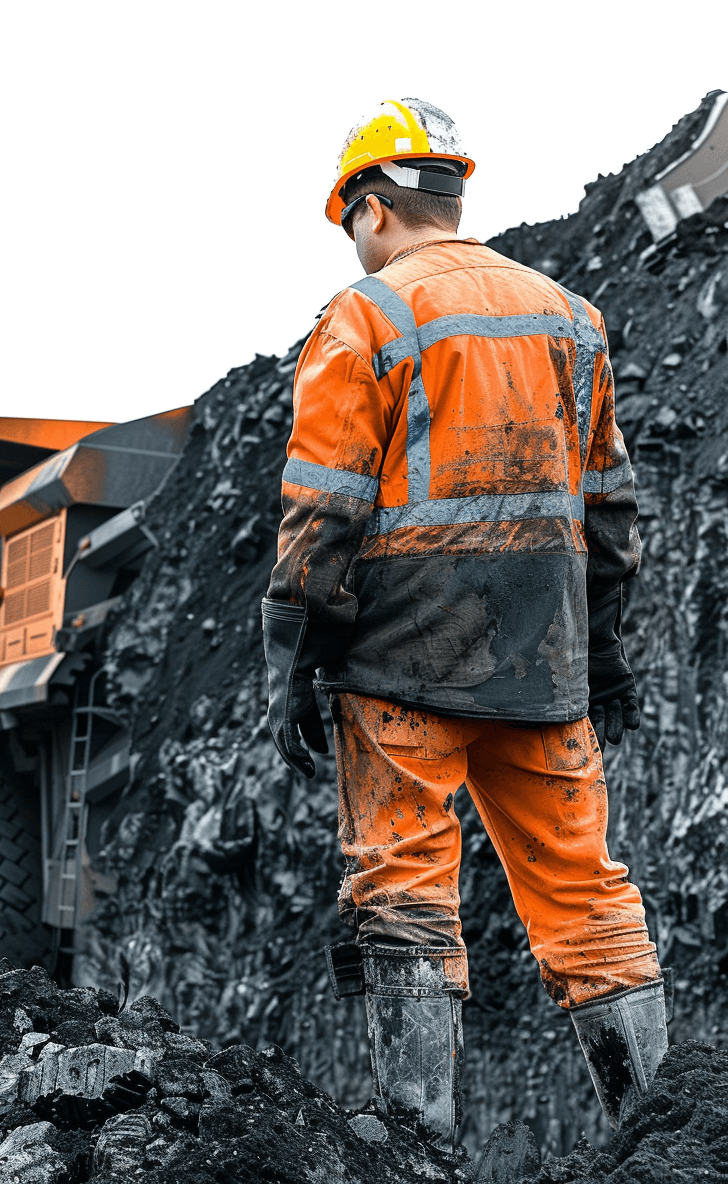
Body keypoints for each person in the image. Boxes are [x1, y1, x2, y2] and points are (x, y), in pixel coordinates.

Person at [261, 98, 668, 1148]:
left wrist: (294, 660)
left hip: (401, 671)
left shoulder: (367, 320)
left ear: (375, 207)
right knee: (585, 890)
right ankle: (661, 1134)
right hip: (545, 666)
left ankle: (420, 1147)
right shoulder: (571, 318)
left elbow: (320, 516)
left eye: (350, 220)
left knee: (402, 889)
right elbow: (610, 512)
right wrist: (605, 653)